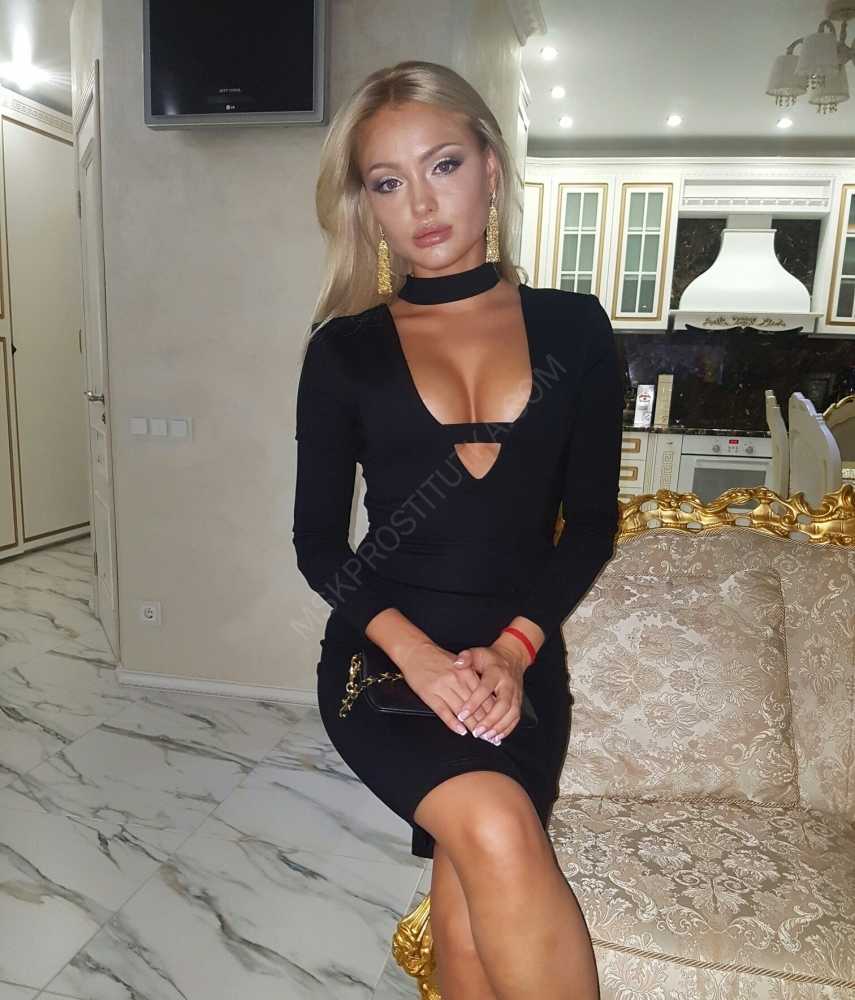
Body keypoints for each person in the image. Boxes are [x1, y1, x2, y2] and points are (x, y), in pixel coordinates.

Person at [292, 59, 622, 1000]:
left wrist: (514, 652)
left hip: (519, 662)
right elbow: (318, 544)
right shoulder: (344, 350)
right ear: (366, 207)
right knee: (496, 828)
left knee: (471, 891)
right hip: (387, 660)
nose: (421, 204)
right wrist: (423, 661)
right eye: (387, 182)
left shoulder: (575, 330)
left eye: (441, 165)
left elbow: (591, 524)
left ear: (490, 167)